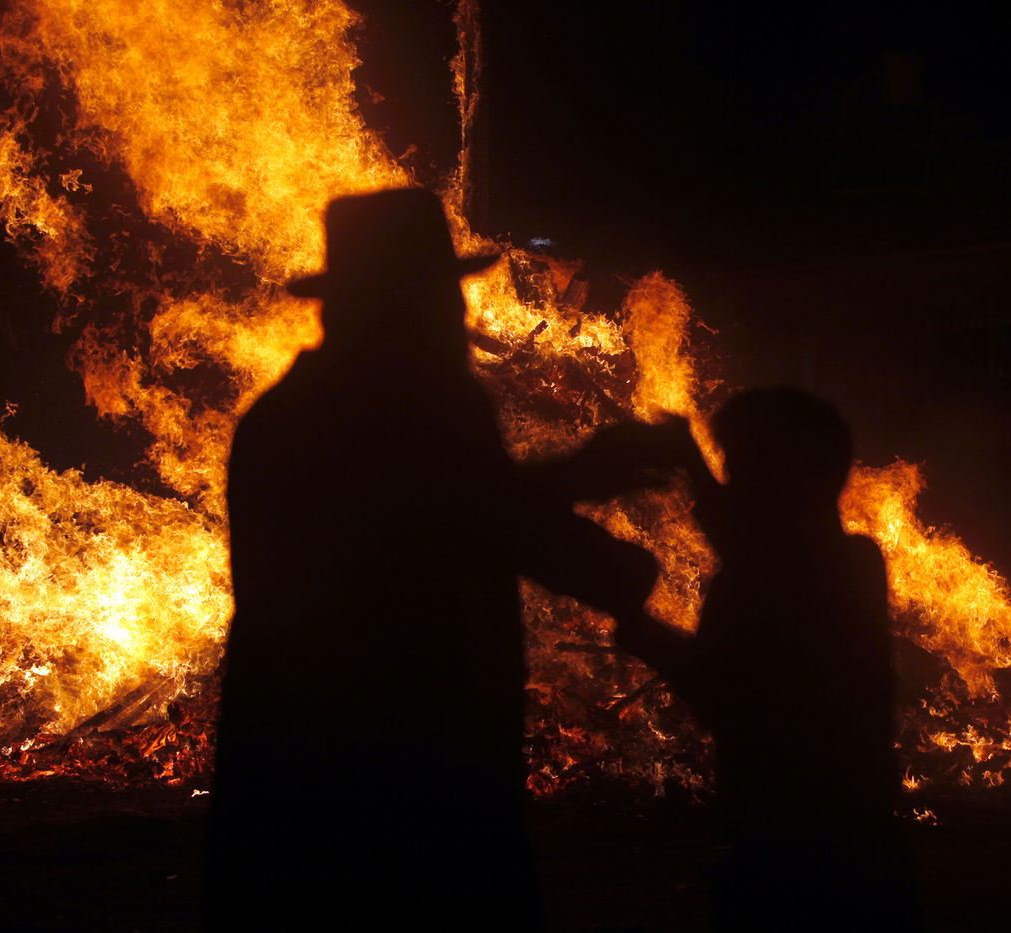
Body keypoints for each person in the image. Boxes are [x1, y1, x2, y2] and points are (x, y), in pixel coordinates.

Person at [208, 188, 667, 930]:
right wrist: (617, 564)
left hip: (292, 772)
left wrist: (579, 481)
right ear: (399, 305)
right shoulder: (424, 407)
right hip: (413, 775)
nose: (458, 317)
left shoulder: (282, 418)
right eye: (439, 297)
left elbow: (453, 503)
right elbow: (483, 515)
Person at [616, 388, 919, 931]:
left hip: (785, 853)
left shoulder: (764, 579)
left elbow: (725, 700)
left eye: (739, 467)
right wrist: (693, 464)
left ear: (786, 480)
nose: (728, 486)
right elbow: (760, 545)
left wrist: (638, 629)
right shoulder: (856, 563)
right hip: (861, 845)